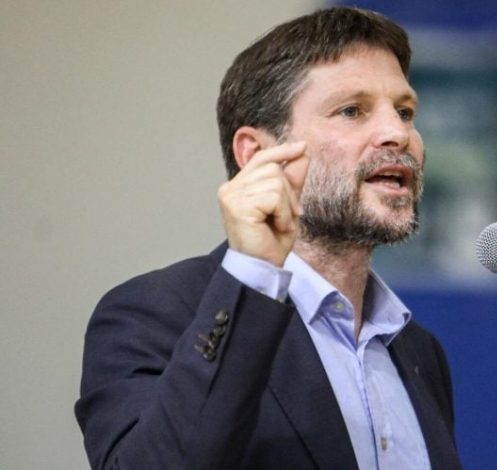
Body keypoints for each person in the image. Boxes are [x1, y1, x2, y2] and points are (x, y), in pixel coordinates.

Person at [74, 7, 462, 470]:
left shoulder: (418, 350)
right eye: (352, 111)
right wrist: (253, 273)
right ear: (258, 154)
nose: (397, 133)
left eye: (405, 111)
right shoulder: (155, 315)